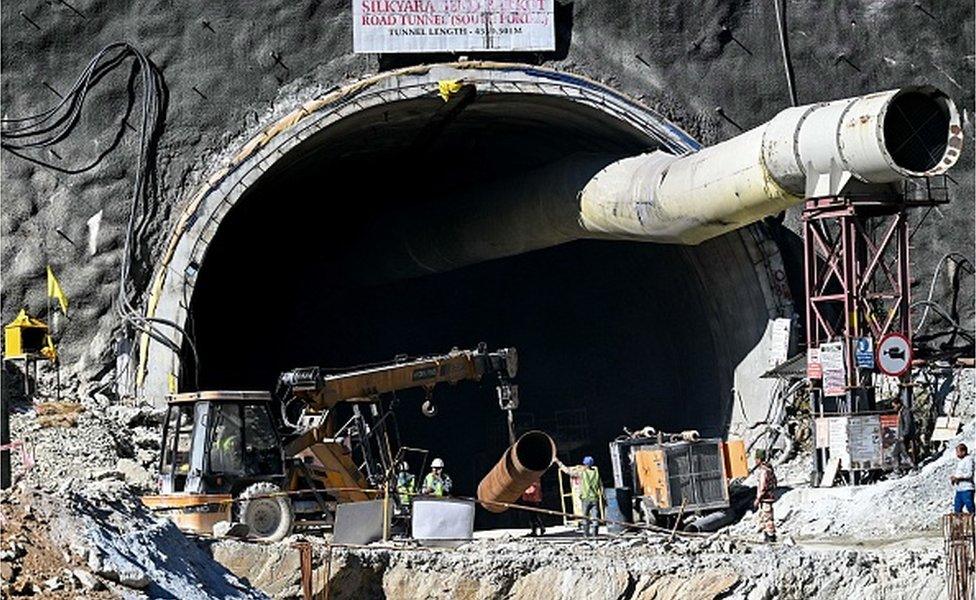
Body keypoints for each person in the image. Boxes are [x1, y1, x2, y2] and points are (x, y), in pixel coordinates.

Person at [556, 456, 603, 537]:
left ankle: (586, 535)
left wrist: (558, 462)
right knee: (595, 518)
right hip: (595, 498)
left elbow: (567, 471)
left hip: (585, 498)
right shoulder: (596, 473)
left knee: (585, 517)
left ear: (585, 464)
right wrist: (602, 497)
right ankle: (595, 536)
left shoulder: (581, 472)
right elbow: (600, 486)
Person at [754, 449, 778, 542]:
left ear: (759, 459)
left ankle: (771, 538)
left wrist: (758, 499)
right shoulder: (770, 469)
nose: (755, 461)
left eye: (756, 459)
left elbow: (762, 487)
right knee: (764, 518)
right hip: (769, 497)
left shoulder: (764, 471)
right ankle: (768, 537)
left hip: (765, 498)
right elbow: (775, 483)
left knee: (767, 519)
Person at [892, 397, 917, 469]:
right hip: (901, 436)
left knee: (898, 453)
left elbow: (907, 424)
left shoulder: (906, 412)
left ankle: (913, 467)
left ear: (899, 404)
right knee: (901, 453)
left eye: (894, 406)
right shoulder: (902, 411)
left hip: (904, 436)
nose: (894, 408)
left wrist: (903, 435)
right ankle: (900, 469)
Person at [950, 443, 975, 514]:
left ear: (963, 451)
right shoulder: (960, 461)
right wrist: (954, 479)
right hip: (959, 489)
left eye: (958, 452)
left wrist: (958, 478)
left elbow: (969, 474)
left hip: (967, 488)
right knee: (957, 508)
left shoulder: (969, 460)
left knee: (969, 505)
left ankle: (973, 519)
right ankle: (960, 523)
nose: (957, 454)